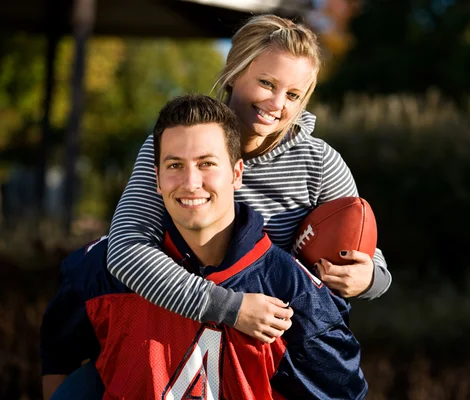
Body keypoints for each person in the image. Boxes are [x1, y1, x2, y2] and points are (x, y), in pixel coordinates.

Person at [40, 94, 368, 400]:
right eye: (175, 165)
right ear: (156, 178)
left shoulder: (293, 291)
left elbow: (341, 390)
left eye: (207, 163)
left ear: (237, 173)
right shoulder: (101, 268)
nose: (191, 182)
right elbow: (58, 358)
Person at [106, 14, 392, 342]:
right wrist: (231, 308)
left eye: (293, 95)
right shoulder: (175, 142)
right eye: (267, 83)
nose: (276, 104)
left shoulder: (320, 163)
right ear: (234, 73)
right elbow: (126, 250)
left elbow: (373, 263)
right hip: (171, 343)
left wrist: (367, 278)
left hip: (273, 358)